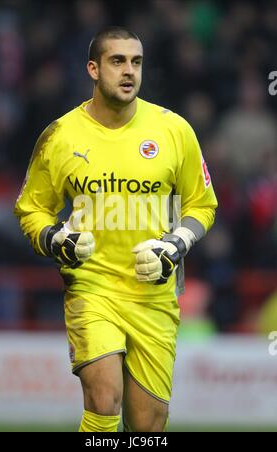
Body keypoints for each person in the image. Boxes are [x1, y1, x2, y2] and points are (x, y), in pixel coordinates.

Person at [14, 26, 218, 432]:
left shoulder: (174, 130)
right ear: (93, 68)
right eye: (117, 61)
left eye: (136, 62)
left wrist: (176, 243)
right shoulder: (60, 135)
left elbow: (202, 204)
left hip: (154, 296)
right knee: (104, 399)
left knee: (148, 426)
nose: (129, 71)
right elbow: (31, 210)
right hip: (92, 287)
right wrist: (56, 239)